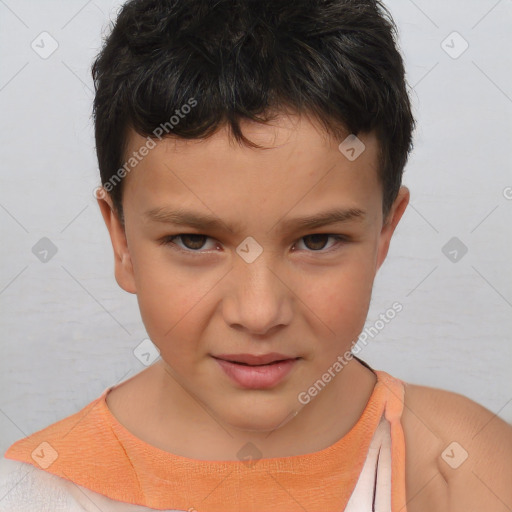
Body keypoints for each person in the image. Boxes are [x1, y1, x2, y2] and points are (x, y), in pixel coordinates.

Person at [1, 0, 511, 510]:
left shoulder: (465, 471)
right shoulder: (29, 490)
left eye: (316, 241)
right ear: (122, 241)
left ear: (385, 232)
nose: (259, 313)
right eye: (194, 241)